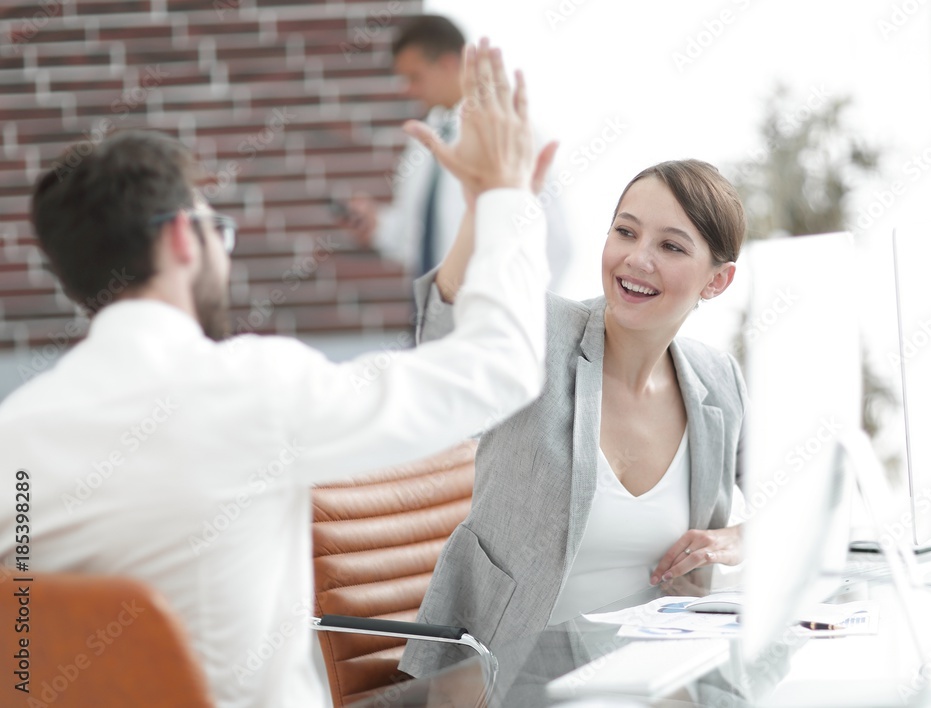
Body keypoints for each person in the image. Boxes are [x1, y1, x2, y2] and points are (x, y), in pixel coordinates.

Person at [0, 40, 546, 708]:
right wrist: (505, 197)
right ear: (181, 237)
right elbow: (498, 370)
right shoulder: (250, 389)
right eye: (217, 229)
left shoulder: (16, 432)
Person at [397, 156, 749, 677]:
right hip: (502, 681)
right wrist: (480, 208)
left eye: (671, 246)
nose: (637, 259)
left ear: (717, 281)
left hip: (653, 677)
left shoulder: (717, 379)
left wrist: (741, 538)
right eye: (625, 232)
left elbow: (803, 497)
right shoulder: (542, 333)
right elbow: (442, 336)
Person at [341, 14, 573, 290]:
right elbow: (415, 239)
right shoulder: (424, 140)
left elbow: (556, 244)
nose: (408, 90)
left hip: (491, 308)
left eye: (415, 77)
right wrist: (377, 226)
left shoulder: (509, 135)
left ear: (448, 64)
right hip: (433, 309)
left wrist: (517, 308)